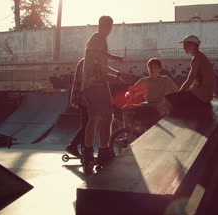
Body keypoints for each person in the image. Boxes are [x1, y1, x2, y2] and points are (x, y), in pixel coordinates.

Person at [81, 15, 125, 173]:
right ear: (101, 26)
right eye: (106, 27)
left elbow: (102, 65)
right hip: (94, 84)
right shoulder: (97, 38)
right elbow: (96, 52)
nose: (108, 30)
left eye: (109, 27)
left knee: (107, 117)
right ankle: (90, 154)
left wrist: (118, 74)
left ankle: (102, 153)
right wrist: (113, 56)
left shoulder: (101, 40)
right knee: (97, 118)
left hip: (99, 83)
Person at [165, 35, 216, 114]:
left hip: (201, 97)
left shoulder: (196, 59)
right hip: (207, 96)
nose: (183, 47)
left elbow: (189, 80)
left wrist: (179, 94)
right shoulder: (202, 57)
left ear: (192, 45)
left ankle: (174, 120)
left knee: (167, 98)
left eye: (185, 45)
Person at [123, 58, 178, 130]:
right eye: (150, 68)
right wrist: (128, 95)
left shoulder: (165, 79)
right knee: (126, 110)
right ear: (148, 69)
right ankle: (128, 134)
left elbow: (177, 91)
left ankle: (131, 133)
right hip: (148, 106)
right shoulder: (144, 81)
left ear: (159, 69)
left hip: (158, 108)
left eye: (155, 68)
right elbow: (132, 90)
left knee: (128, 111)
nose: (152, 70)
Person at [65, 58, 87, 158]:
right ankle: (75, 146)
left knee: (87, 124)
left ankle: (82, 147)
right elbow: (79, 82)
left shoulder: (82, 61)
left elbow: (76, 82)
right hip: (85, 99)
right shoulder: (85, 62)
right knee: (88, 125)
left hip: (85, 98)